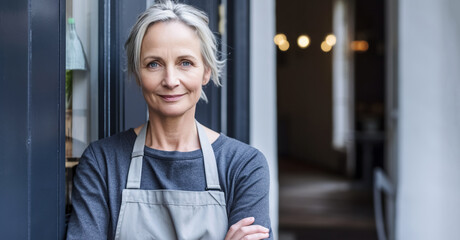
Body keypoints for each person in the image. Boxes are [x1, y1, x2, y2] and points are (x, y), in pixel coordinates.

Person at [66, 0, 272, 239]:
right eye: (154, 64)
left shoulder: (243, 166)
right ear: (137, 72)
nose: (171, 80)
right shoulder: (103, 162)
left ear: (205, 71)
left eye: (185, 63)